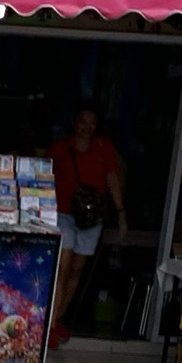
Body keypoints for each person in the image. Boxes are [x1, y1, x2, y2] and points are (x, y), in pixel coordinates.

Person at [49, 105, 125, 348]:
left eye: (92, 122)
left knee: (76, 270)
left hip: (92, 219)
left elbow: (112, 179)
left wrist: (121, 212)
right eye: (83, 121)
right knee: (62, 268)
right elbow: (45, 178)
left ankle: (57, 318)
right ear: (74, 122)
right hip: (63, 214)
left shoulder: (104, 148)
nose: (87, 127)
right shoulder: (59, 148)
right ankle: (50, 326)